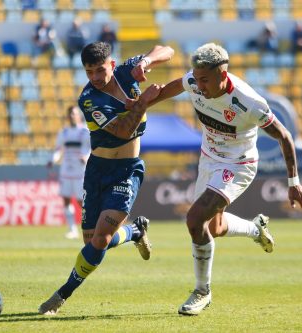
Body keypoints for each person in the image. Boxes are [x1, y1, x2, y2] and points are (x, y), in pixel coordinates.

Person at [152, 43, 302, 315]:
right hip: (208, 158)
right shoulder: (195, 81)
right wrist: (141, 106)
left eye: (204, 80)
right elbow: (173, 88)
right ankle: (256, 229)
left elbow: (284, 136)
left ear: (223, 73)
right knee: (213, 228)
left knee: (194, 220)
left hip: (238, 164)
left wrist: (294, 182)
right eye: (196, 78)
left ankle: (201, 291)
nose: (198, 85)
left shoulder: (248, 102)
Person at [38, 41, 175, 315]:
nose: (95, 78)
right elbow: (124, 131)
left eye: (100, 70)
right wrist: (144, 102)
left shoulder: (126, 72)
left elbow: (166, 50)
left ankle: (62, 294)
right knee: (91, 243)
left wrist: (144, 63)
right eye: (89, 72)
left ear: (111, 65)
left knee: (100, 239)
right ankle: (134, 232)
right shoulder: (88, 99)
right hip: (97, 171)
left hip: (126, 170)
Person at [47, 106, 91, 240]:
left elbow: (90, 148)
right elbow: (58, 150)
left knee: (81, 201)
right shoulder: (64, 132)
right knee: (66, 199)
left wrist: (86, 157)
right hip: (66, 170)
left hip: (79, 171)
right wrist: (52, 160)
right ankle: (72, 229)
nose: (72, 116)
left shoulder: (85, 131)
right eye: (70, 114)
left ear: (79, 116)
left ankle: (90, 225)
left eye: (74, 114)